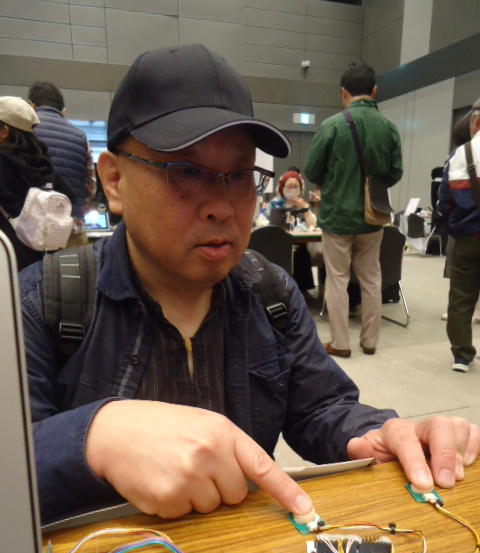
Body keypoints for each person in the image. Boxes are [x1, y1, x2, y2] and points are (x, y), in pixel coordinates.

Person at [19, 45, 479, 525]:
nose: (222, 207)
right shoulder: (44, 303)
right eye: (186, 171)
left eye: (239, 175)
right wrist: (91, 437)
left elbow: (321, 406)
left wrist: (379, 431)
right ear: (114, 181)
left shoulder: (269, 292)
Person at [304, 62, 403, 358]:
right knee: (371, 278)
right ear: (375, 91)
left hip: (337, 215)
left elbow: (312, 170)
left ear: (343, 92)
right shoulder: (388, 127)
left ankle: (341, 343)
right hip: (373, 215)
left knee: (337, 279)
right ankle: (370, 341)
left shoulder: (332, 125)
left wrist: (335, 183)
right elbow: (395, 173)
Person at [0, 96, 73, 270]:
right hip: (41, 257)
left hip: (8, 259)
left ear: (5, 131)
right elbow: (69, 194)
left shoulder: (2, 161)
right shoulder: (42, 161)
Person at [438, 101, 480, 373]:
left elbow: (443, 201)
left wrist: (453, 226)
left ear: (475, 122)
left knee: (461, 298)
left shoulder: (460, 155)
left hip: (467, 237)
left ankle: (462, 356)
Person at [28, 81, 96, 246]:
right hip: (71, 229)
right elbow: (90, 187)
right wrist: (79, 208)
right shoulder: (81, 137)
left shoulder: (24, 133)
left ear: (30, 106)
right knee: (75, 263)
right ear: (63, 110)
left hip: (31, 232)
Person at [262, 170, 317, 298]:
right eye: (289, 186)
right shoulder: (275, 203)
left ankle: (303, 290)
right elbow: (262, 219)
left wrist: (305, 209)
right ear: (282, 188)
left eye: (295, 186)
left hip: (299, 243)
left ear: (300, 188)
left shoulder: (302, 204)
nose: (292, 189)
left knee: (302, 253)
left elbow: (313, 223)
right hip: (278, 244)